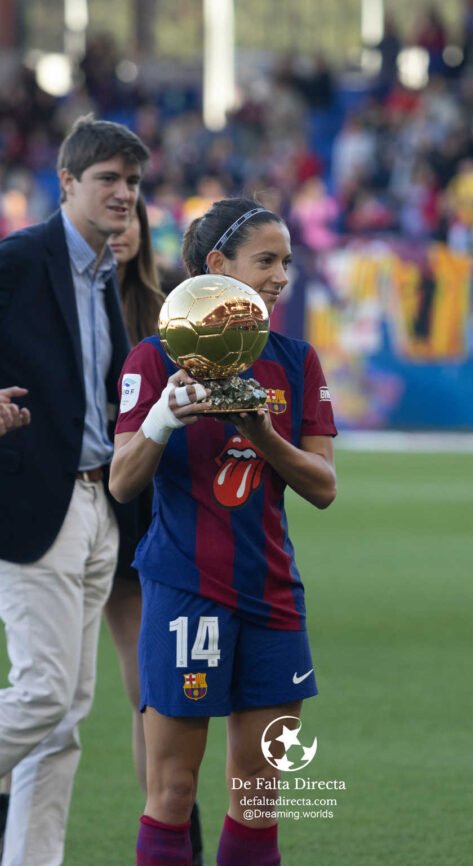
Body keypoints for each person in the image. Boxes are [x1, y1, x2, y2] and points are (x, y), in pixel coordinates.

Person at [109, 197, 337, 866]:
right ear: (218, 265)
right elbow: (122, 482)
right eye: (265, 260)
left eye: (286, 262)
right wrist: (163, 417)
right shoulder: (153, 360)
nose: (280, 276)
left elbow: (323, 487)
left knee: (259, 795)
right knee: (173, 789)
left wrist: (261, 431)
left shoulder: (295, 362)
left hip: (272, 596)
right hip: (185, 592)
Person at [0, 113, 149, 866]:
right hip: (38, 504)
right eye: (108, 179)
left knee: (65, 720)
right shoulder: (23, 257)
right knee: (43, 696)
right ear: (66, 182)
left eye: (132, 181)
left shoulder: (101, 274)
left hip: (97, 506)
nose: (124, 193)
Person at [107, 196, 204, 864]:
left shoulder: (169, 308)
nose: (118, 228)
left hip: (144, 499)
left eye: (130, 215)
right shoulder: (50, 299)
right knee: (50, 691)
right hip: (72, 493)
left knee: (150, 690)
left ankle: (176, 827)